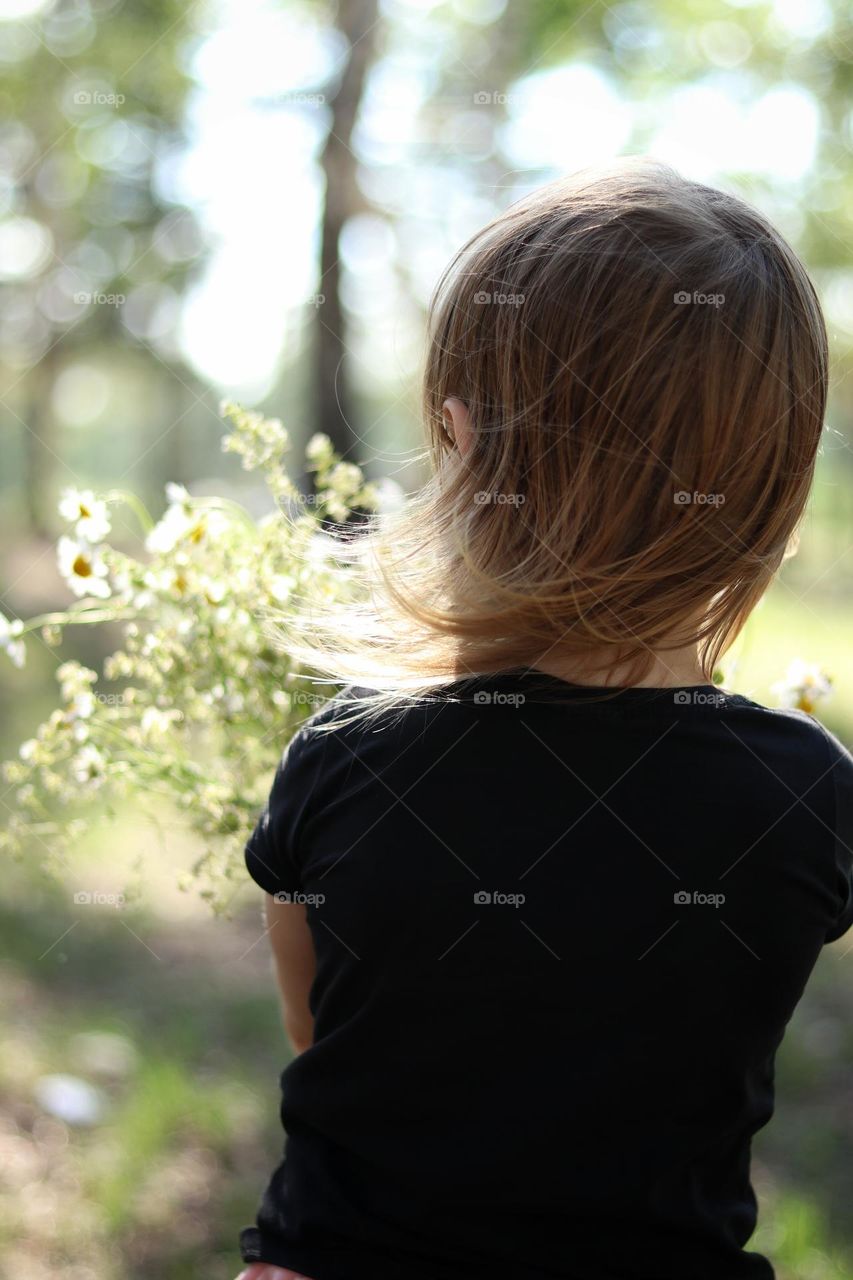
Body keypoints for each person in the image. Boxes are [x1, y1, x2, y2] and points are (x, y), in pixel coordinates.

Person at [235, 159, 853, 1280]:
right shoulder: (807, 794)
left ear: (461, 441)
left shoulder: (347, 760)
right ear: (773, 483)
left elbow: (319, 1034)